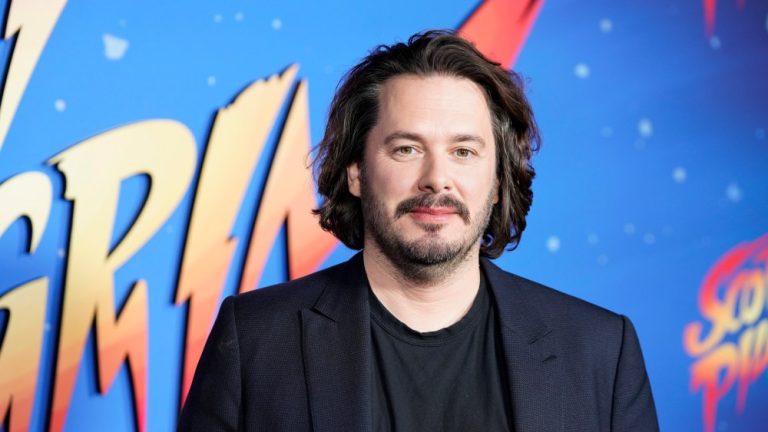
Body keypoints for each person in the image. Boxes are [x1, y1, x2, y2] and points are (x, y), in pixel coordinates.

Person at [179, 30, 659, 431]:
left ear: (497, 181)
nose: (437, 178)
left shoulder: (600, 350)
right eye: (406, 149)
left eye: (464, 151)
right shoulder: (257, 340)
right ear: (356, 173)